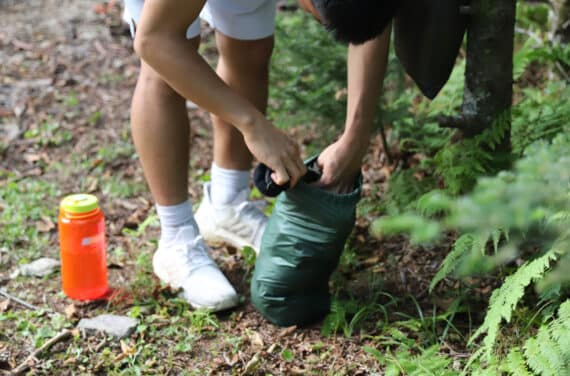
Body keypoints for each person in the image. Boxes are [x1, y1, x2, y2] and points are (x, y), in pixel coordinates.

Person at [122, 0, 397, 311]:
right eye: (322, 17)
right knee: (169, 57)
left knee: (250, 49)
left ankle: (227, 205)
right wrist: (252, 125)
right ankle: (176, 237)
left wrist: (354, 140)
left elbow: (368, 23)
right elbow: (154, 41)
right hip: (159, 33)